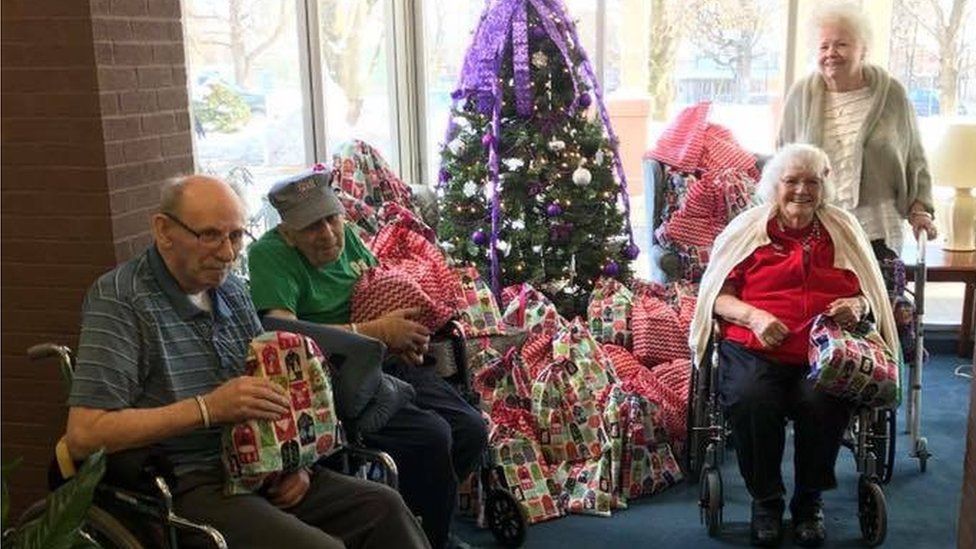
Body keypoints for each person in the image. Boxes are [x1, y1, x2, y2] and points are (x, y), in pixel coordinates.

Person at [65, 175, 429, 549]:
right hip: (189, 480)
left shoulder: (232, 290)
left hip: (261, 464)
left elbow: (277, 393)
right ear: (163, 230)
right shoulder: (121, 301)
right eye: (210, 235)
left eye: (236, 236)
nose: (227, 253)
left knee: (384, 508)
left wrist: (295, 464)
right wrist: (208, 409)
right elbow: (84, 435)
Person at [247, 171, 488, 549]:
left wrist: (403, 336)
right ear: (288, 232)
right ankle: (427, 535)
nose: (327, 233)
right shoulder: (268, 256)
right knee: (432, 436)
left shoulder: (350, 239)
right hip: (335, 376)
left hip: (385, 359)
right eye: (311, 227)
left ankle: (423, 523)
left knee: (470, 429)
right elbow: (285, 338)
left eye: (331, 218)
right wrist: (377, 331)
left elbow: (376, 288)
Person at [689, 144, 899, 547]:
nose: (801, 190)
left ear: (824, 186)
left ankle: (808, 501)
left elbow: (870, 292)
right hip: (754, 346)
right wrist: (753, 316)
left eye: (812, 182)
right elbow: (716, 296)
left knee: (824, 400)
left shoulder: (844, 229)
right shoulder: (748, 230)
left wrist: (857, 305)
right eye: (791, 181)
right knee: (752, 399)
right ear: (774, 185)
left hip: (825, 352)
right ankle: (766, 502)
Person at [778, 2, 937, 257]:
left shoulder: (891, 94)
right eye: (824, 46)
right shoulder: (800, 95)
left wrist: (920, 210)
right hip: (815, 227)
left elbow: (914, 158)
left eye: (841, 44)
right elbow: (783, 159)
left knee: (873, 296)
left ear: (863, 50)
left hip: (878, 228)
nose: (831, 52)